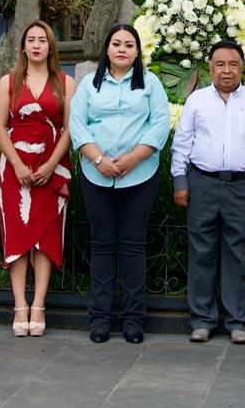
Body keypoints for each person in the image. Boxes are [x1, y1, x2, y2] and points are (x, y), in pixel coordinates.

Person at [171, 39, 245, 345]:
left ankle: (238, 321)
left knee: (239, 254)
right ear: (210, 68)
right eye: (220, 64)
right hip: (202, 184)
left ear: (242, 67)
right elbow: (182, 144)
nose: (227, 70)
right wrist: (180, 182)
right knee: (201, 253)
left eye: (233, 64)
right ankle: (202, 320)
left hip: (243, 187)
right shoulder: (197, 101)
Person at [70, 24, 171, 344]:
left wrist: (133, 158)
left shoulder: (150, 83)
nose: (123, 49)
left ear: (137, 51)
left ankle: (133, 319)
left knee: (132, 246)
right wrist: (99, 159)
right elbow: (77, 124)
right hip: (96, 174)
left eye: (129, 44)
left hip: (139, 176)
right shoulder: (89, 84)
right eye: (116, 44)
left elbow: (159, 124)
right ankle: (100, 318)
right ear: (107, 49)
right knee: (101, 246)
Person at [0, 21, 76, 337]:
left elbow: (70, 128)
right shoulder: (8, 82)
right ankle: (19, 305)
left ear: (51, 47)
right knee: (17, 234)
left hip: (51, 166)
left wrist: (51, 165)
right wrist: (16, 164)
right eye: (31, 40)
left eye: (43, 40)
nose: (37, 44)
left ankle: (38, 303)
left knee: (45, 235)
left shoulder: (66, 83)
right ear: (23, 47)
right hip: (15, 167)